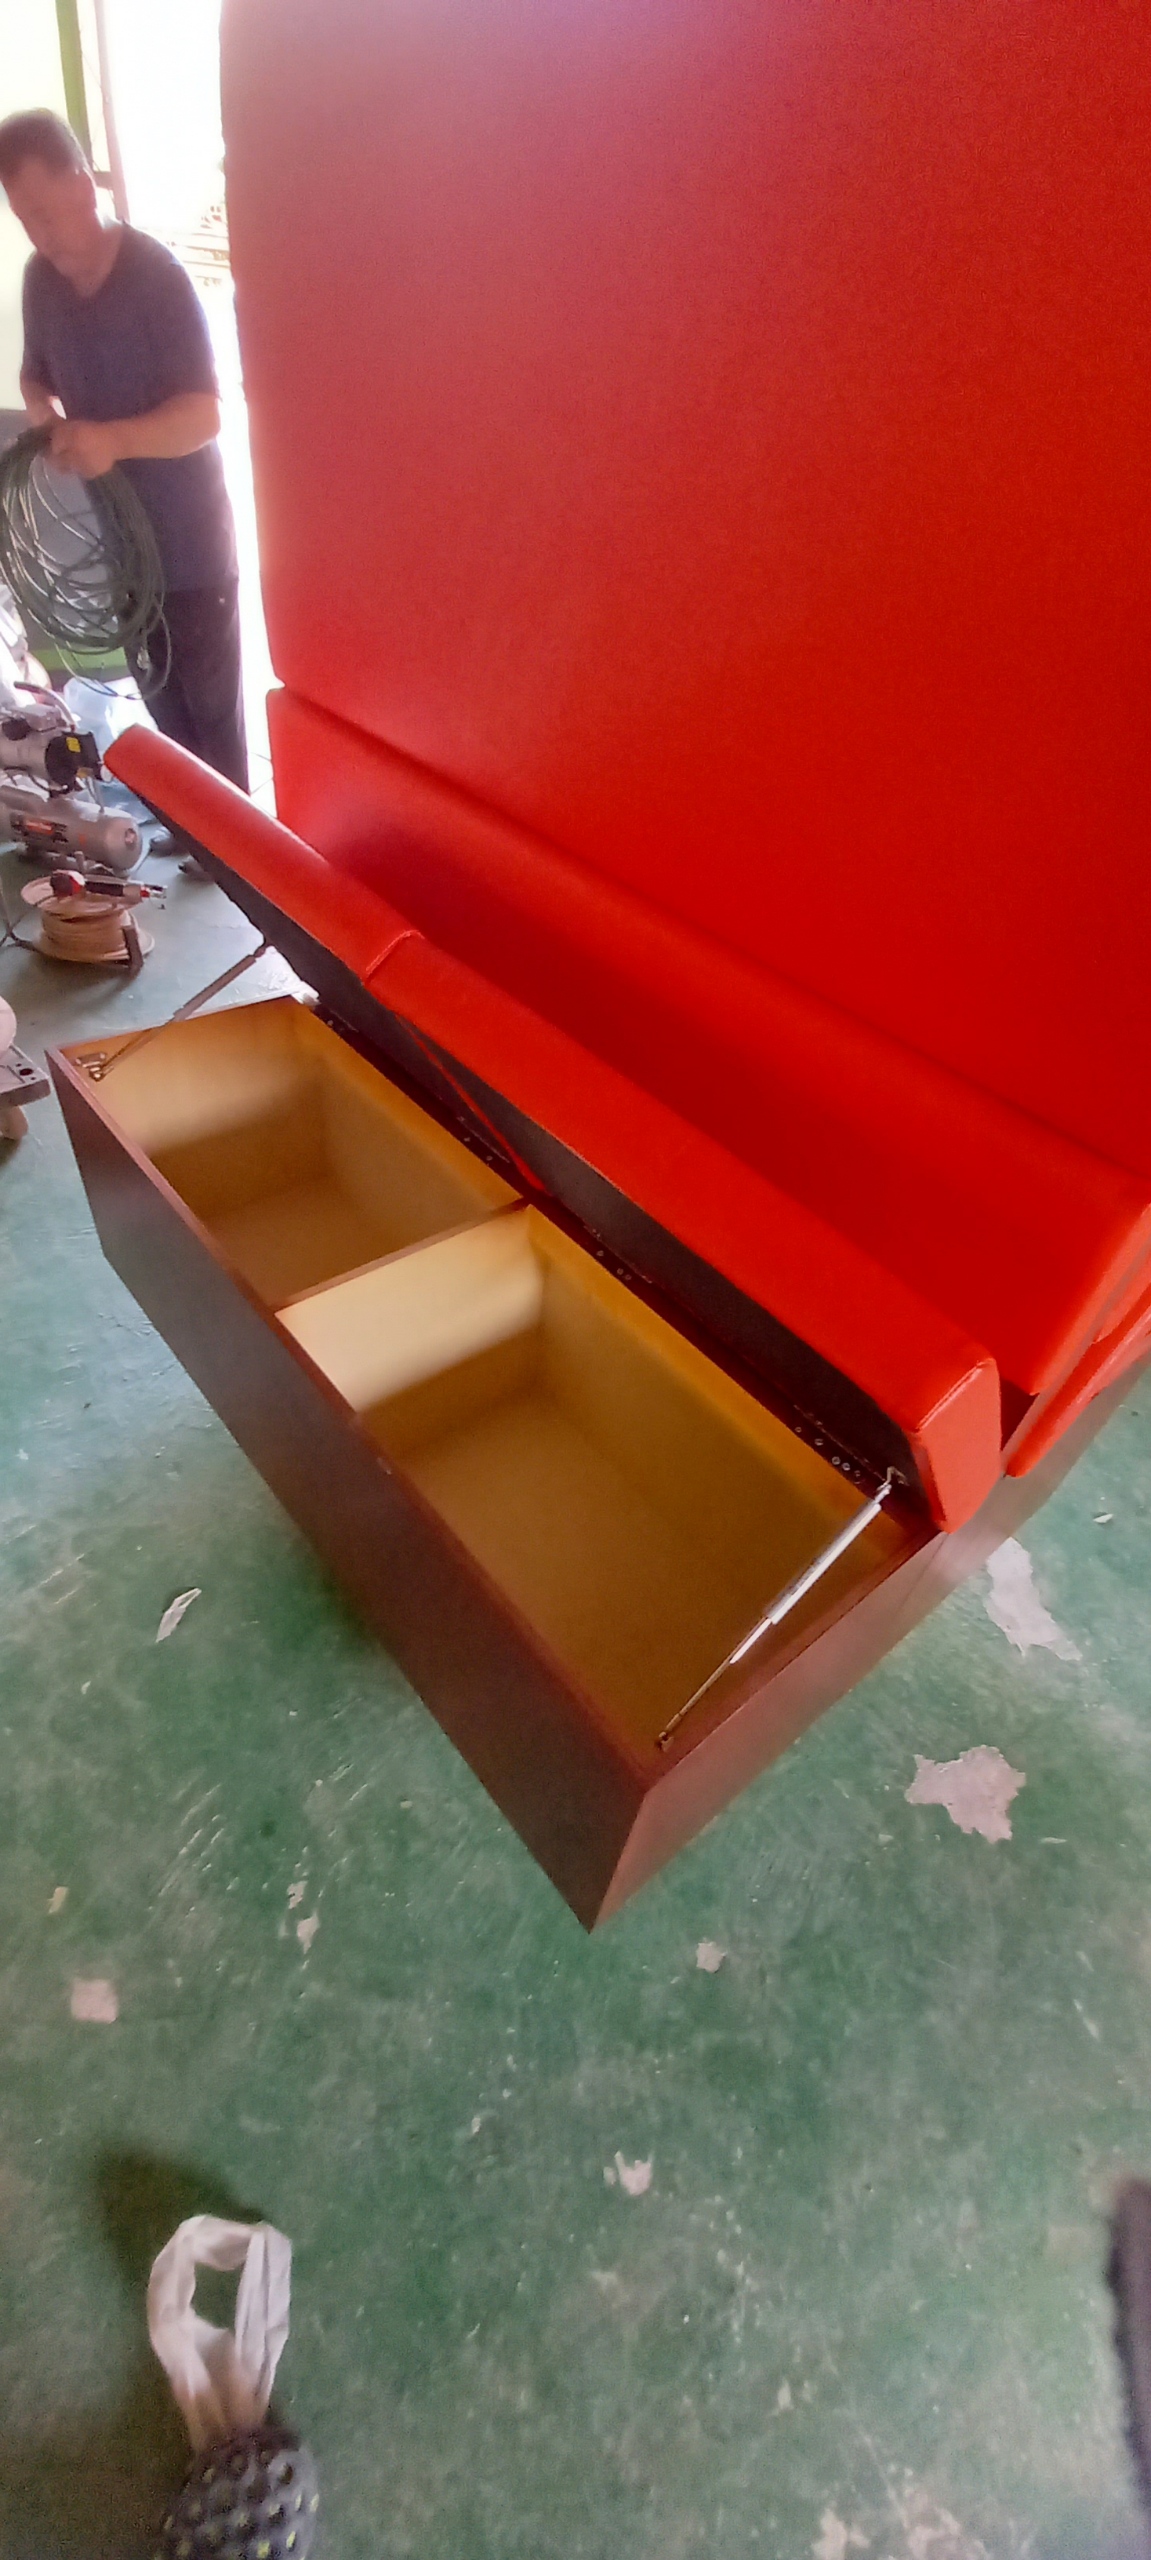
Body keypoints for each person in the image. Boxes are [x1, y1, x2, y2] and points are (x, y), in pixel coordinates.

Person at [0, 108, 247, 799]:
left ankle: (233, 851)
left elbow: (205, 416)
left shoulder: (156, 279)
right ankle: (188, 830)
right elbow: (35, 376)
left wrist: (113, 440)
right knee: (165, 716)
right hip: (127, 557)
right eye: (23, 218)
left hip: (192, 553)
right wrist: (46, 419)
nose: (39, 234)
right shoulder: (41, 281)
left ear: (83, 186)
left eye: (46, 212)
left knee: (213, 727)